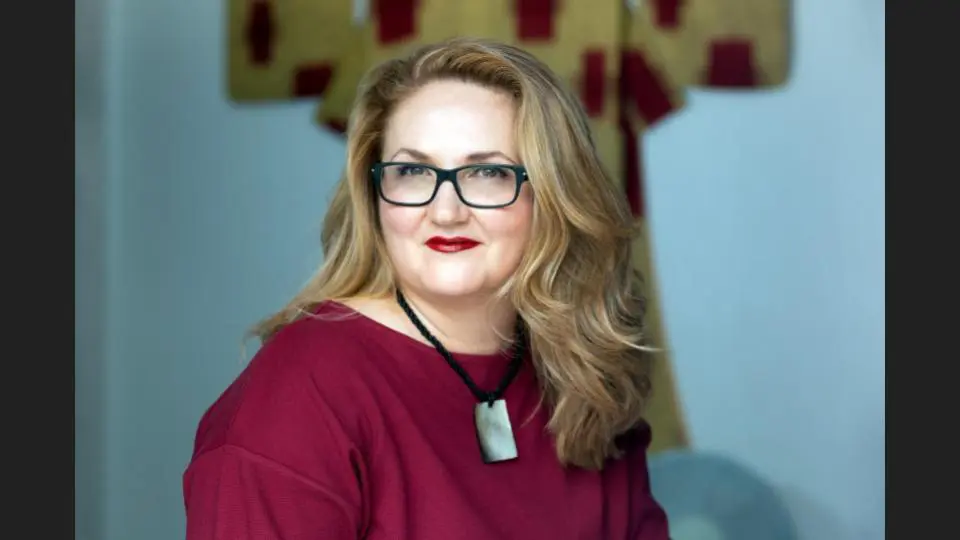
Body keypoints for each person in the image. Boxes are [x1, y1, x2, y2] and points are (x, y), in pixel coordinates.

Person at [183, 37, 670, 539]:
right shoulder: (299, 399)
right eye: (413, 171)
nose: (445, 211)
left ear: (554, 193)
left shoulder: (582, 379)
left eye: (487, 172)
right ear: (374, 194)